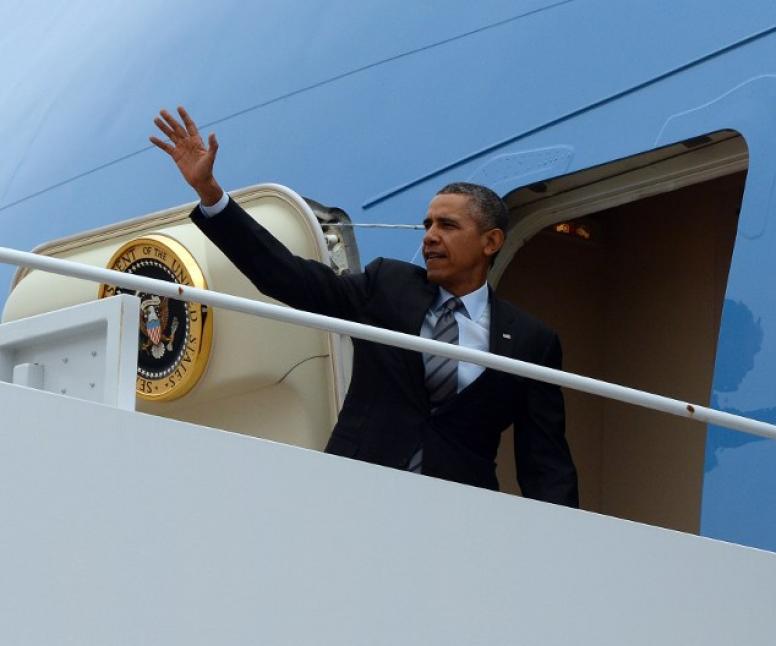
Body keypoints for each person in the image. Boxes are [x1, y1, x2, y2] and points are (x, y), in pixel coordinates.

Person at [150, 106, 578, 507]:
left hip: (458, 514)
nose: (430, 236)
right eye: (427, 224)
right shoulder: (388, 285)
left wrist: (562, 544)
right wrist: (211, 195)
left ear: (491, 242)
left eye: (447, 225)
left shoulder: (531, 341)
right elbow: (288, 277)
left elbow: (545, 463)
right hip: (352, 497)